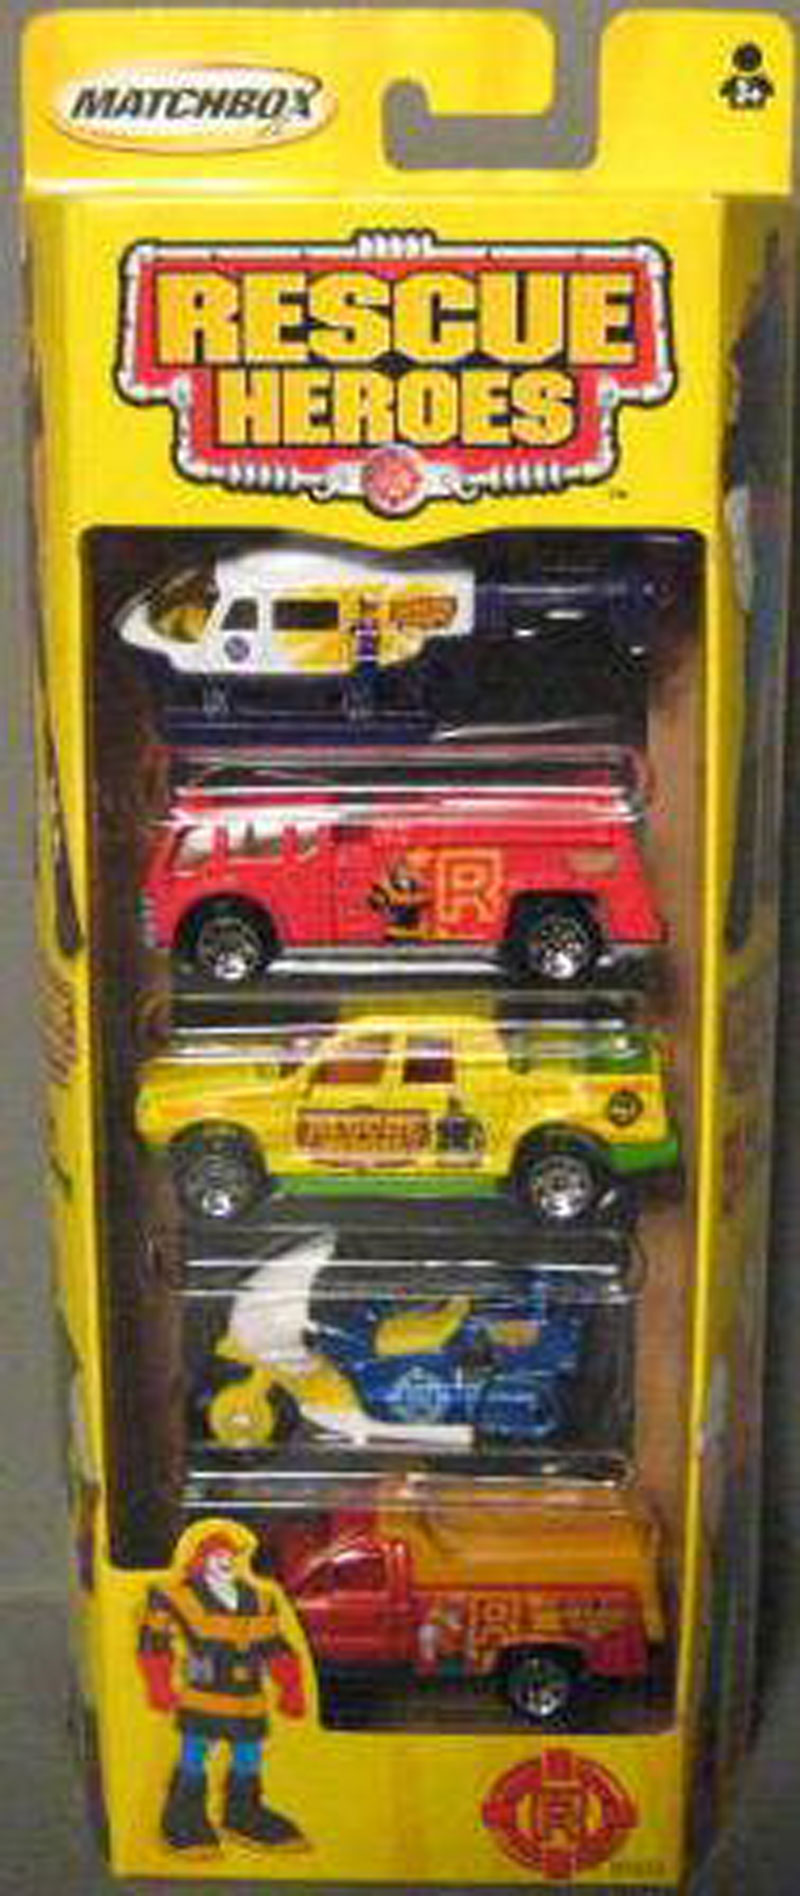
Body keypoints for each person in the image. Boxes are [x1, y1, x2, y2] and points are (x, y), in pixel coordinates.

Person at [138, 1522, 307, 1853]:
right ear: (201, 1559)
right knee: (195, 1751)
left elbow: (275, 1645)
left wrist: (291, 1687)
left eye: (230, 1555)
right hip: (205, 1692)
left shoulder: (259, 1599)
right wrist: (159, 1685)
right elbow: (153, 1643)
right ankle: (183, 1816)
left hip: (248, 1695)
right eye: (218, 1555)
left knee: (249, 1754)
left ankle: (243, 1813)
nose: (226, 1560)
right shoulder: (177, 1596)